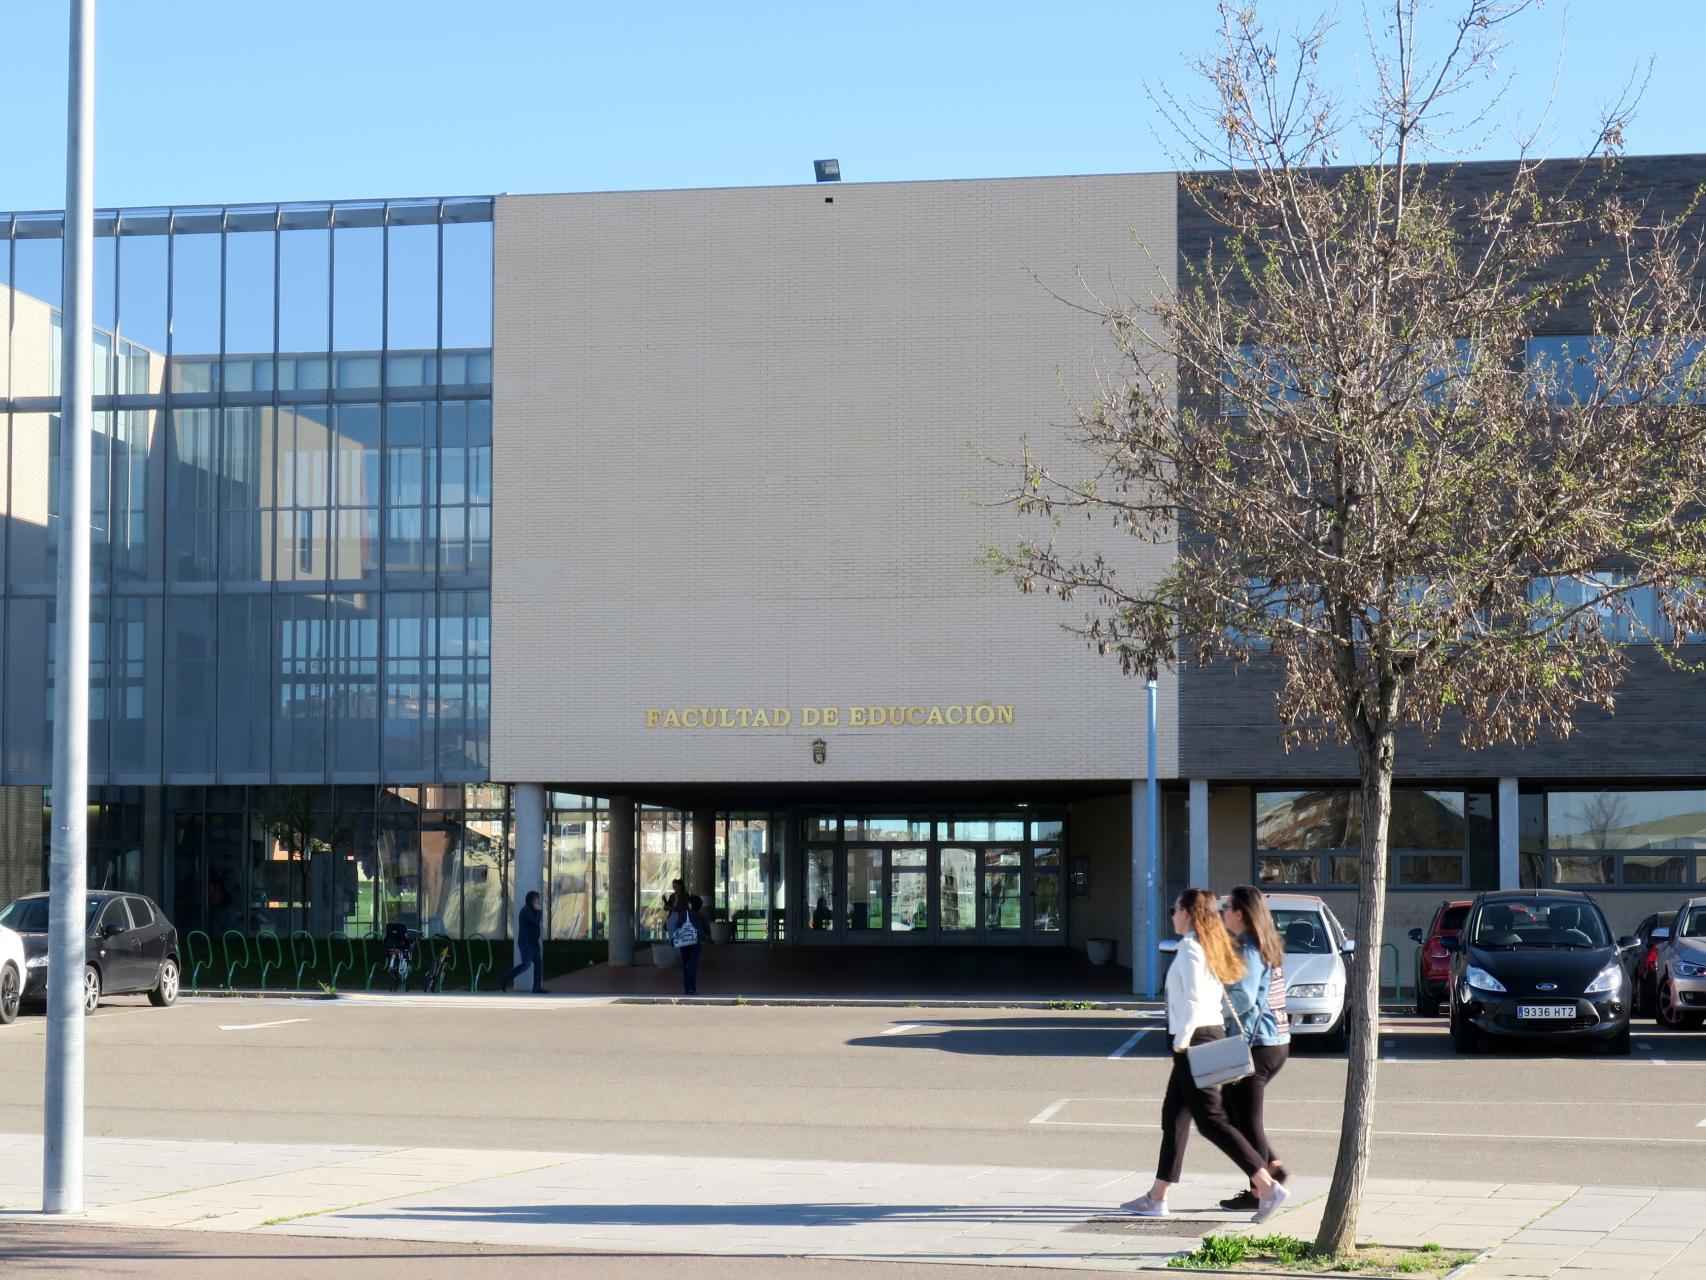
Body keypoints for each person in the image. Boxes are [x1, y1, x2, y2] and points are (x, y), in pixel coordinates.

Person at [1121, 888, 1290, 1224]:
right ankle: (1158, 1196)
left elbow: (1198, 1001)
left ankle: (1267, 1185)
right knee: (1175, 1114)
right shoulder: (1211, 944)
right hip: (1204, 1037)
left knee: (1213, 1119)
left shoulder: (1191, 947)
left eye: (1175, 909)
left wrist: (1180, 1043)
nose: (1172, 915)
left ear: (1187, 913)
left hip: (1197, 1039)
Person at [1218, 884, 1292, 1211]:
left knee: (1243, 1120)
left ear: (1240, 913)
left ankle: (1260, 1190)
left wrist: (1211, 1007)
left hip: (1255, 1043)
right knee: (1229, 1111)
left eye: (1226, 908)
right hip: (1272, 1042)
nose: (1222, 914)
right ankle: (1272, 1170)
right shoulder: (1264, 944)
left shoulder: (1249, 948)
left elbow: (1244, 998)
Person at [499, 890, 546, 993]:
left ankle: (536, 988)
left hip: (534, 943)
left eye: (538, 900)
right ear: (531, 901)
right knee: (526, 965)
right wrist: (539, 911)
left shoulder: (532, 910)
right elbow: (535, 922)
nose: (538, 902)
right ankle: (505, 977)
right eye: (536, 900)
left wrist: (537, 911)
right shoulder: (526, 911)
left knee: (538, 963)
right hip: (527, 943)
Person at [675, 894, 712, 995]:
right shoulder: (702, 916)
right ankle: (692, 989)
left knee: (686, 965)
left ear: (690, 904)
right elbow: (707, 930)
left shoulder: (683, 914)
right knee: (693, 965)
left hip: (684, 942)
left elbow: (677, 926)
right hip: (696, 943)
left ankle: (687, 988)